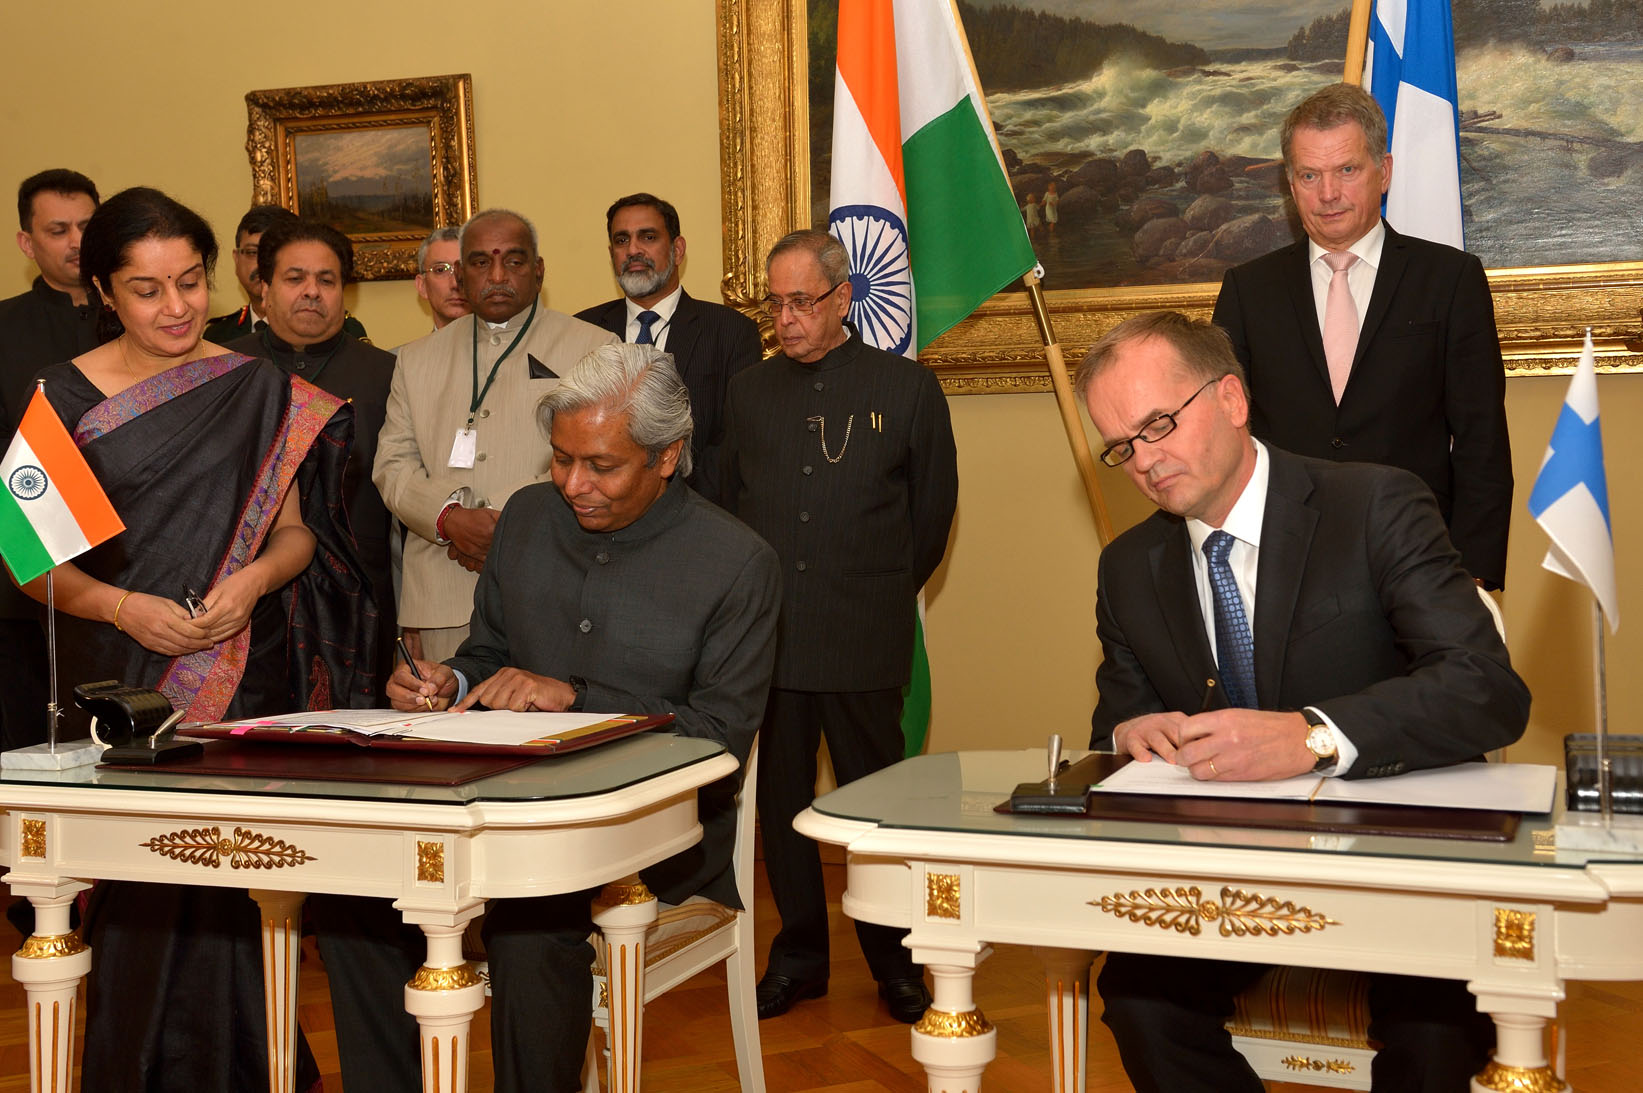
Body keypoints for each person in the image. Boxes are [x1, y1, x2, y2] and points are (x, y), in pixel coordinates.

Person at [1076, 310, 1530, 1093]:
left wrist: (1315, 736)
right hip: (1224, 882)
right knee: (1139, 999)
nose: (1144, 462)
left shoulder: (1374, 505)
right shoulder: (1128, 566)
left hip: (1394, 864)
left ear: (1230, 398)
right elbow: (1114, 719)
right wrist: (1129, 730)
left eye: (1157, 425)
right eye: (1122, 445)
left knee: (1433, 1025)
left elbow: (1485, 687)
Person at [316, 342, 780, 1093]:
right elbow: (489, 647)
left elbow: (719, 737)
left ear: (667, 458)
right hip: (494, 806)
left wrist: (577, 699)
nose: (572, 483)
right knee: (355, 906)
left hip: (653, 840)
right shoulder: (529, 517)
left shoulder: (735, 562)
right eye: (561, 458)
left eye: (601, 465)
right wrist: (449, 677)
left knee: (528, 929)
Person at [22, 186, 374, 1092]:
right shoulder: (58, 396)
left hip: (235, 678)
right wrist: (121, 607)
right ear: (104, 289)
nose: (175, 307)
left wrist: (254, 581)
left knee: (228, 896)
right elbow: (27, 562)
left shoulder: (256, 384)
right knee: (137, 905)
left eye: (190, 281)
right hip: (120, 687)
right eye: (147, 289)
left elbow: (294, 534)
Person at [723, 228, 958, 1024]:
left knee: (875, 811)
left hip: (863, 638)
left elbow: (929, 520)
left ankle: (894, 961)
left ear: (843, 297)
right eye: (774, 303)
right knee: (784, 807)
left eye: (801, 301)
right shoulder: (746, 392)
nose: (785, 319)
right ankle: (797, 956)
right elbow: (728, 508)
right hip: (770, 645)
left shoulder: (907, 388)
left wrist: (873, 590)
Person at [1210, 82, 1512, 589]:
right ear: (1290, 183)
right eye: (1310, 175)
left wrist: (1472, 578)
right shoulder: (1248, 290)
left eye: (1347, 170)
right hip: (1281, 565)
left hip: (1417, 562)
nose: (1328, 194)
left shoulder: (1450, 279)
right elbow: (1221, 432)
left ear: (1384, 172)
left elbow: (1482, 442)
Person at [373, 208, 614, 662]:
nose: (498, 275)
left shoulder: (594, 348)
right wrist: (448, 519)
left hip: (552, 586)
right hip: (443, 593)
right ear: (461, 276)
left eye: (514, 261)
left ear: (538, 271)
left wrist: (507, 523)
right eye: (481, 262)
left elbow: (601, 459)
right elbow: (392, 465)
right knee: (452, 728)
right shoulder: (415, 359)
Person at [225, 216, 395, 696]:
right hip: (249, 602)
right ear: (264, 289)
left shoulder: (387, 374)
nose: (312, 292)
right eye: (294, 278)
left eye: (327, 280)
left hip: (361, 601)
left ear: (345, 292)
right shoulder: (224, 369)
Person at [575, 192, 762, 505]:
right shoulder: (584, 329)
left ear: (677, 249)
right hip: (600, 511)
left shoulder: (730, 331)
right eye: (621, 240)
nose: (633, 250)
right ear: (611, 253)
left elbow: (736, 441)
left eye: (647, 237)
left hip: (694, 512)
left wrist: (671, 502)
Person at [0, 169, 100, 750]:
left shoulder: (140, 319)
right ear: (27, 242)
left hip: (126, 570)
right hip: (20, 577)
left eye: (87, 226)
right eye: (58, 229)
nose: (76, 242)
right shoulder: (6, 326)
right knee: (29, 747)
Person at [202, 203, 369, 344]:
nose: (263, 264)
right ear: (236, 259)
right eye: (253, 252)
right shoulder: (218, 335)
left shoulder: (346, 331)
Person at [412, 225, 470, 332]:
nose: (455, 284)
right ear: (422, 286)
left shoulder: (507, 347)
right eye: (441, 270)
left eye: (464, 269)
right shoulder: (408, 350)